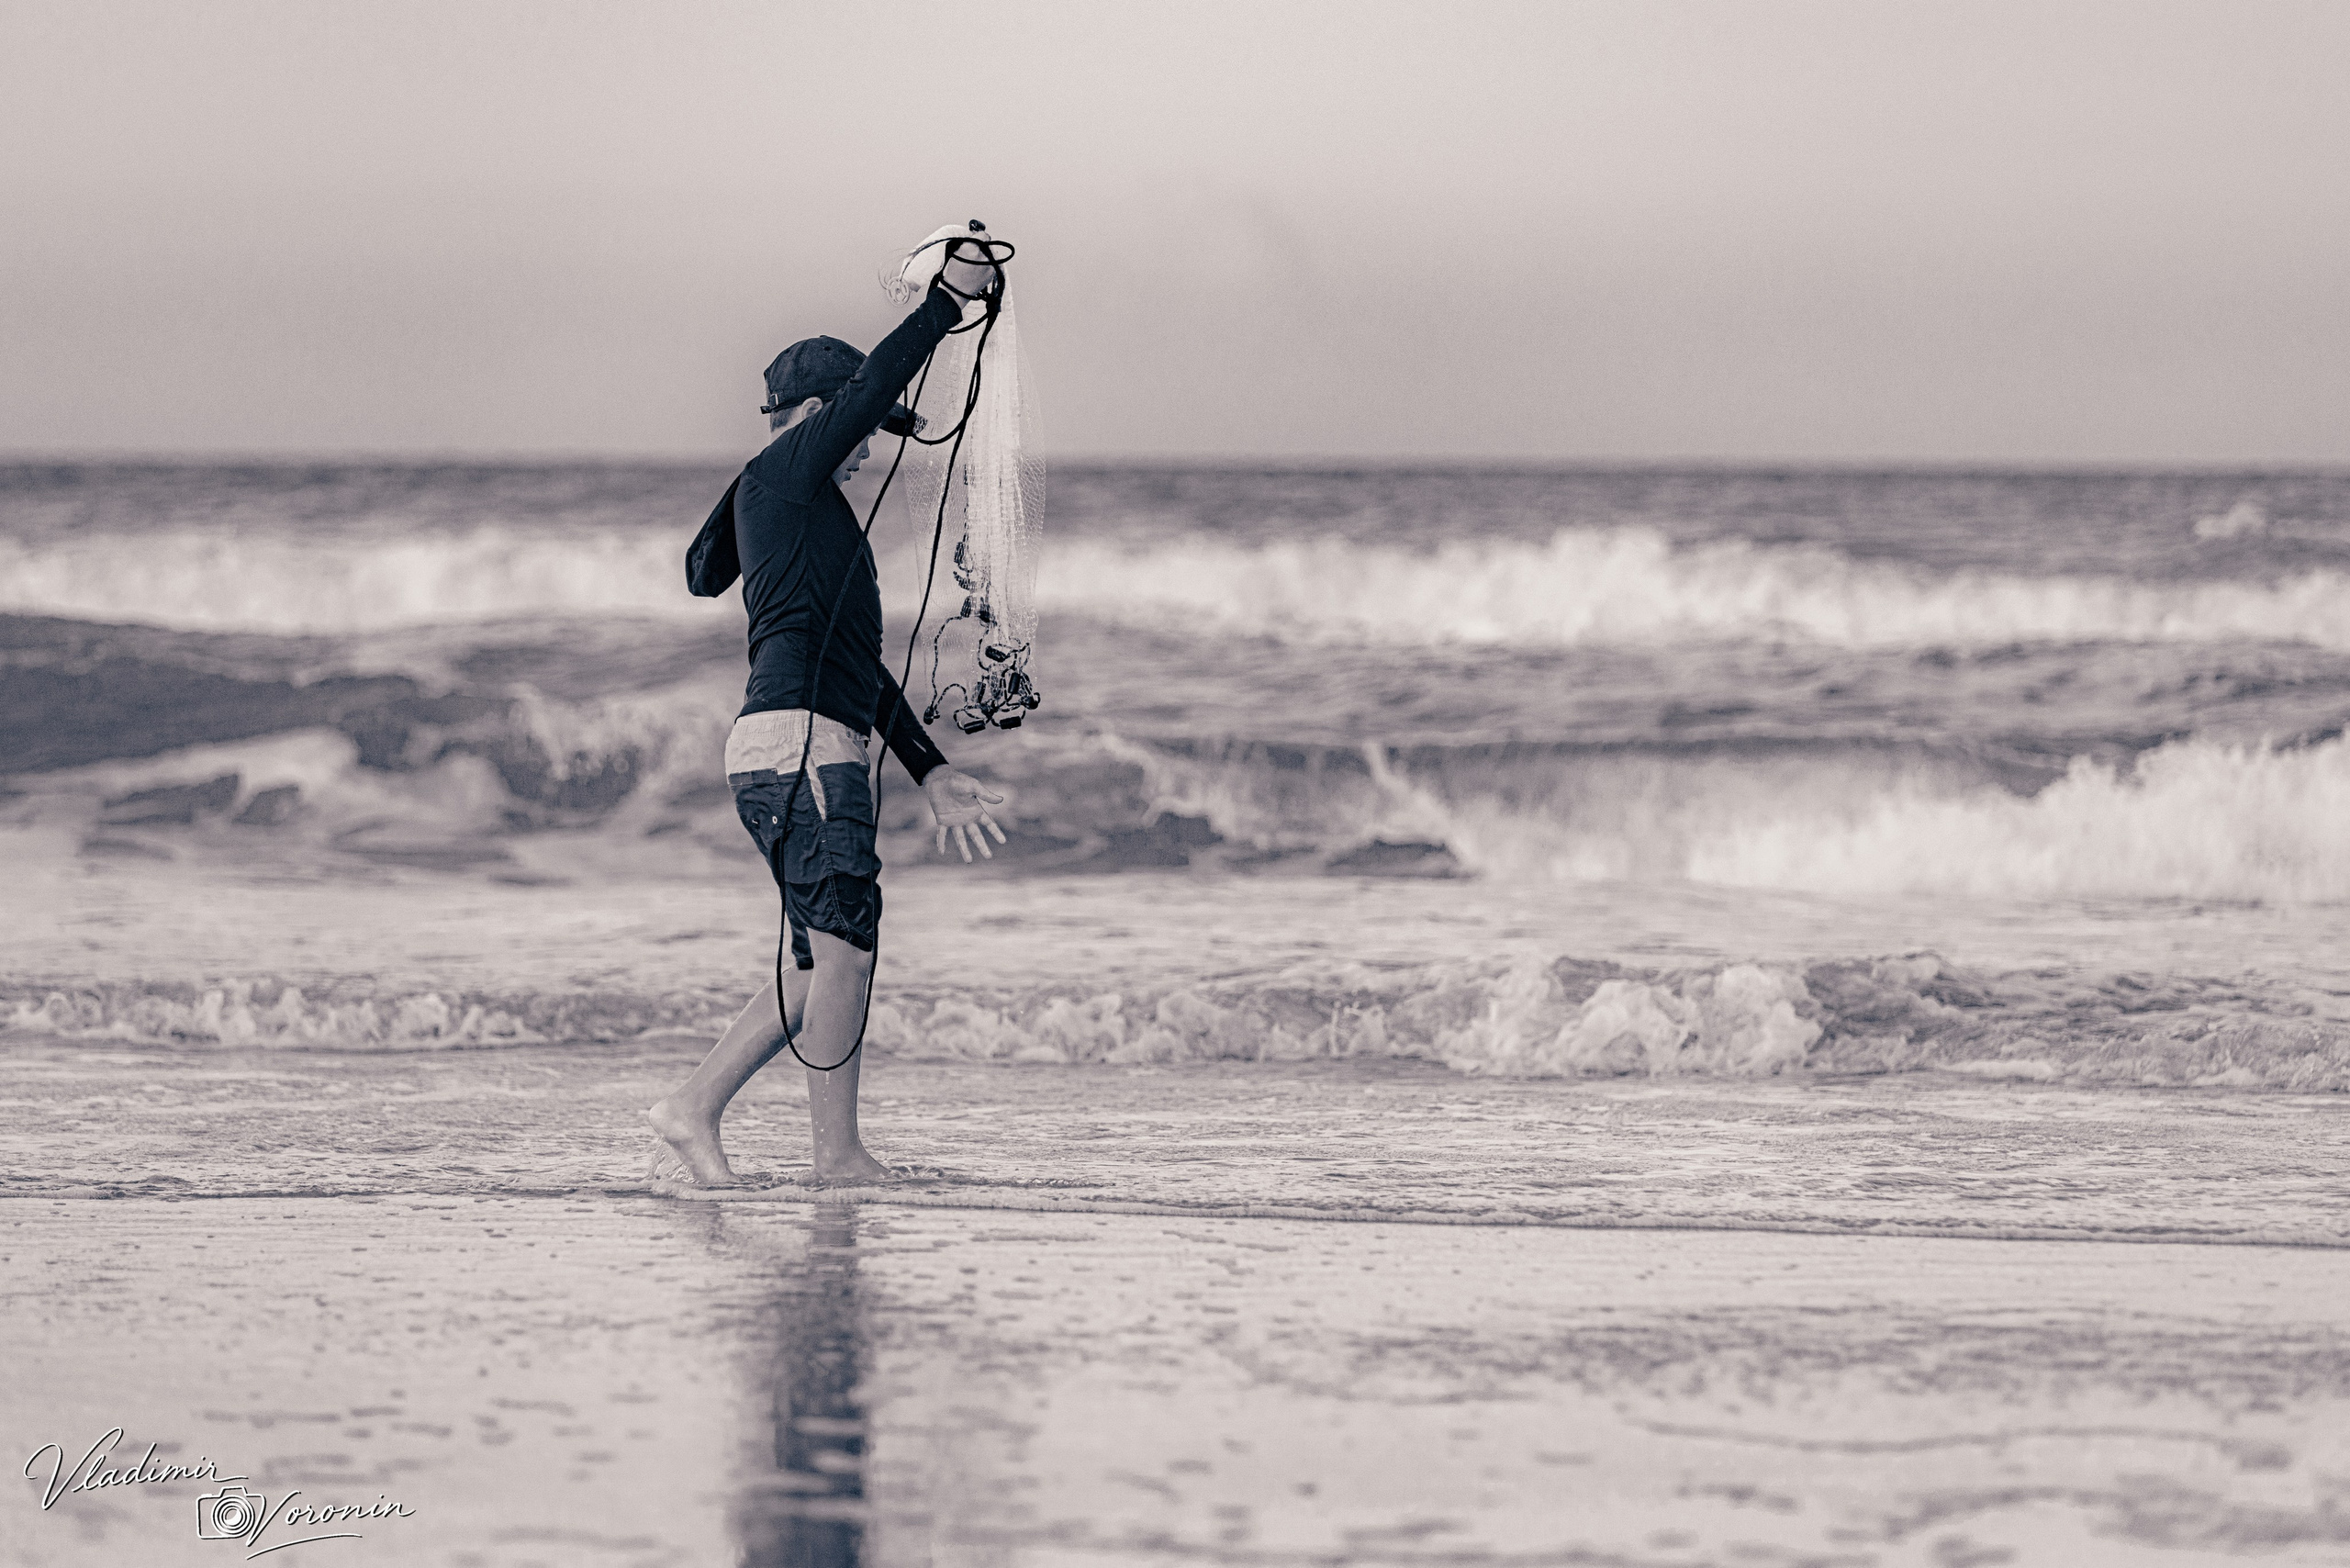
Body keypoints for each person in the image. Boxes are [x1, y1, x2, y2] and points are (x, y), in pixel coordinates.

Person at [647, 235, 1010, 1188]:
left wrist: (932, 770)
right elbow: (844, 412)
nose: (864, 455)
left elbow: (844, 662)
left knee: (824, 961)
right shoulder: (782, 479)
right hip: (801, 750)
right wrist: (946, 302)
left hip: (802, 744)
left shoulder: (792, 508)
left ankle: (691, 1108)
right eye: (853, 434)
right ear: (812, 419)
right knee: (845, 948)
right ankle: (837, 1158)